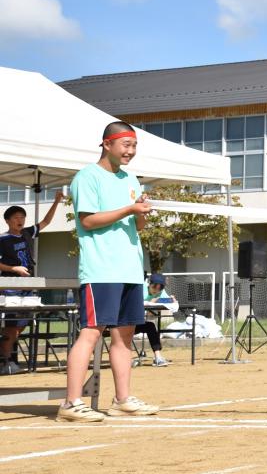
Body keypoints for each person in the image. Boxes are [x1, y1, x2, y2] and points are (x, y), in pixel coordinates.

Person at [57, 121, 159, 422]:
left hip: (130, 269)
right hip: (101, 269)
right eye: (126, 144)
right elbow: (87, 221)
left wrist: (141, 211)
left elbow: (138, 227)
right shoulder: (87, 176)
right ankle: (71, 403)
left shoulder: (131, 179)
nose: (131, 151)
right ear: (107, 144)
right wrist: (129, 209)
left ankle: (122, 400)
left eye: (134, 145)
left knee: (125, 336)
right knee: (91, 332)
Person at [0, 192, 64, 375]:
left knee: (22, 324)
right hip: (11, 286)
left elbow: (46, 222)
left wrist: (57, 201)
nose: (20, 220)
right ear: (7, 220)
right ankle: (6, 361)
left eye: (22, 217)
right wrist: (14, 269)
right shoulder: (3, 239)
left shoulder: (27, 233)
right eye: (16, 217)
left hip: (28, 286)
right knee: (11, 326)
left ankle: (6, 359)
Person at [133, 273, 175, 367]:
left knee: (150, 326)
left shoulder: (160, 292)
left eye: (160, 288)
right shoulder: (140, 288)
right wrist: (151, 301)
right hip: (125, 322)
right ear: (149, 283)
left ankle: (158, 357)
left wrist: (171, 299)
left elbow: (168, 301)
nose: (157, 290)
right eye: (154, 286)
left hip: (137, 322)